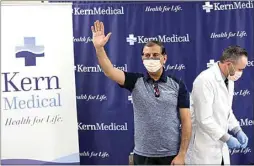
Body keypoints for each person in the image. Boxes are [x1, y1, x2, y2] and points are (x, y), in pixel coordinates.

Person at [91, 20, 192, 165]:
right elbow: (109, 71)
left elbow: (186, 121)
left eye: (155, 55)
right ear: (142, 58)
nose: (151, 59)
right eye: (147, 55)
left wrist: (182, 154)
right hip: (142, 156)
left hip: (171, 156)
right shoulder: (135, 81)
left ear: (164, 58)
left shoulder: (177, 85)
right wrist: (99, 48)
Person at [188, 46, 249, 165]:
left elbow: (226, 110)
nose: (241, 73)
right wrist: (227, 138)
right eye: (240, 69)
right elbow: (204, 119)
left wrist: (237, 130)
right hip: (204, 148)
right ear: (228, 64)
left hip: (220, 147)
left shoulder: (228, 79)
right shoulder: (205, 80)